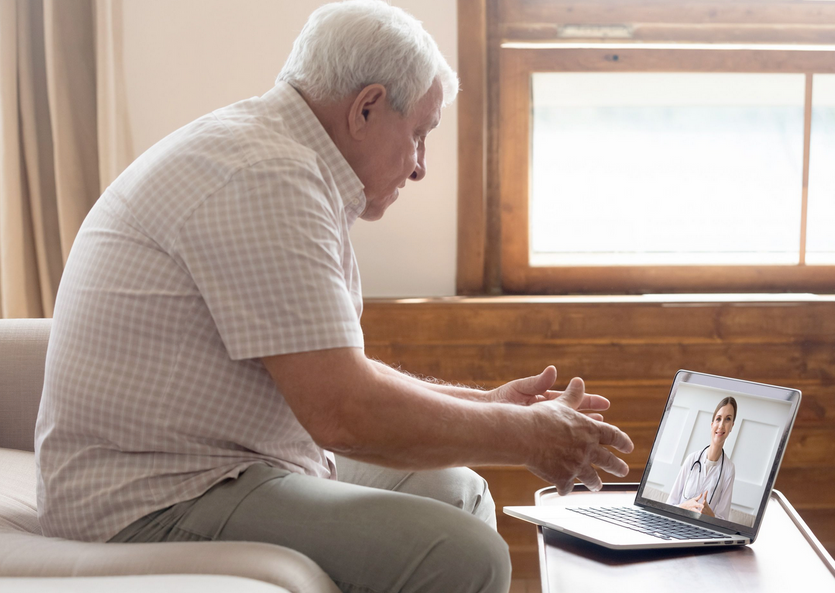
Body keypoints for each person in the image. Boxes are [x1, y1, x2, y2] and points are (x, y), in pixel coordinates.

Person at [33, 2, 633, 592]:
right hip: (151, 496)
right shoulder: (267, 177)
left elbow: (328, 369)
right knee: (465, 554)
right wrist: (526, 434)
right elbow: (343, 412)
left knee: (456, 488)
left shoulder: (273, 155)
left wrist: (494, 406)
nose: (421, 166)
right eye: (419, 134)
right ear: (367, 107)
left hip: (215, 459)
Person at [665, 397, 737, 520]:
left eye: (728, 419)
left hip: (702, 532)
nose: (721, 425)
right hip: (677, 524)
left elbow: (723, 520)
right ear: (712, 424)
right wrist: (684, 507)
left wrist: (711, 516)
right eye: (718, 419)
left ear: (732, 426)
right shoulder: (691, 459)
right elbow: (669, 506)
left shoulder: (729, 469)